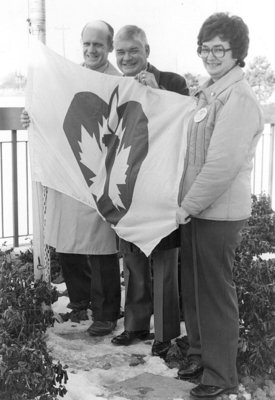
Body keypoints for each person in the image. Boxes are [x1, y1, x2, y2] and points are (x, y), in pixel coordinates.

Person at [176, 12, 264, 398]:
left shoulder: (238, 99)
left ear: (237, 52)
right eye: (205, 48)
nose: (210, 56)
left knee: (214, 293)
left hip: (219, 212)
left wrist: (186, 206)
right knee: (195, 289)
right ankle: (200, 356)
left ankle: (221, 374)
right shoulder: (210, 91)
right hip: (199, 210)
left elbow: (221, 166)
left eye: (219, 49)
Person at [21, 20, 121, 336]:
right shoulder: (70, 77)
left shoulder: (117, 81)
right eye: (87, 44)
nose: (92, 50)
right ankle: (80, 303)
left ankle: (105, 314)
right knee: (67, 241)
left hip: (101, 174)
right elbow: (54, 112)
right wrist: (32, 116)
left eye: (99, 45)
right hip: (69, 171)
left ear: (109, 46)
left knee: (100, 245)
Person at [110, 25, 189, 358]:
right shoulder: (113, 87)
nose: (127, 57)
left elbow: (188, 119)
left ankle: (165, 333)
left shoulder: (172, 81)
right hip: (130, 190)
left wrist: (159, 94)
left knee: (166, 264)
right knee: (134, 263)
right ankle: (136, 325)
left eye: (134, 50)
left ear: (147, 50)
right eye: (122, 52)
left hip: (162, 189)